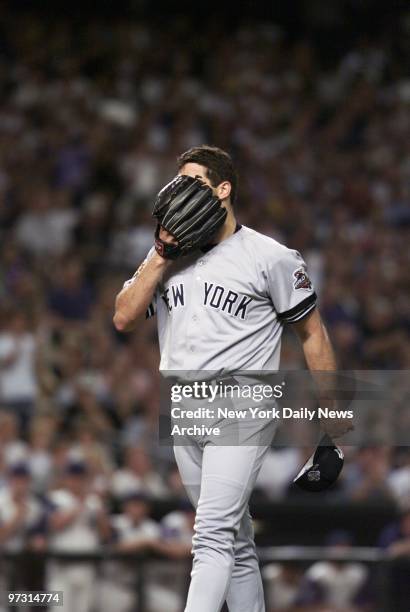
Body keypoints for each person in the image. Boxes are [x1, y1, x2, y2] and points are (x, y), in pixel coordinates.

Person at [113, 145, 352, 612]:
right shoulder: (166, 254)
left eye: (195, 182)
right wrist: (161, 255)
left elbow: (313, 335)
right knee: (236, 540)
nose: (183, 193)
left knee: (211, 533)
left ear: (223, 189)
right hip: (182, 404)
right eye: (178, 183)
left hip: (243, 401)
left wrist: (335, 422)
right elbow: (123, 316)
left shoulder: (271, 256)